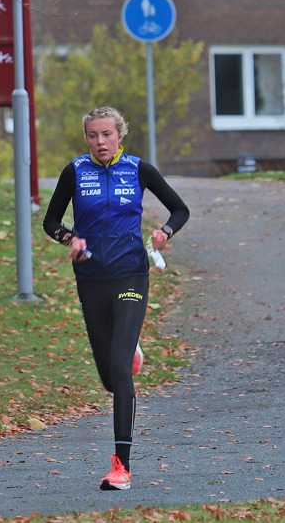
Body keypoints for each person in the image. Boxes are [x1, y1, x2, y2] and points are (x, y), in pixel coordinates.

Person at [42, 106, 190, 491]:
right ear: (86, 138)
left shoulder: (139, 169)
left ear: (120, 135)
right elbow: (50, 221)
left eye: (107, 134)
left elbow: (180, 208)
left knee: (121, 372)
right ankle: (130, 352)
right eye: (93, 135)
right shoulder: (75, 171)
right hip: (91, 278)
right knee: (109, 377)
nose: (100, 142)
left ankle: (121, 466)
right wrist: (69, 239)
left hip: (130, 274)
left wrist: (165, 232)